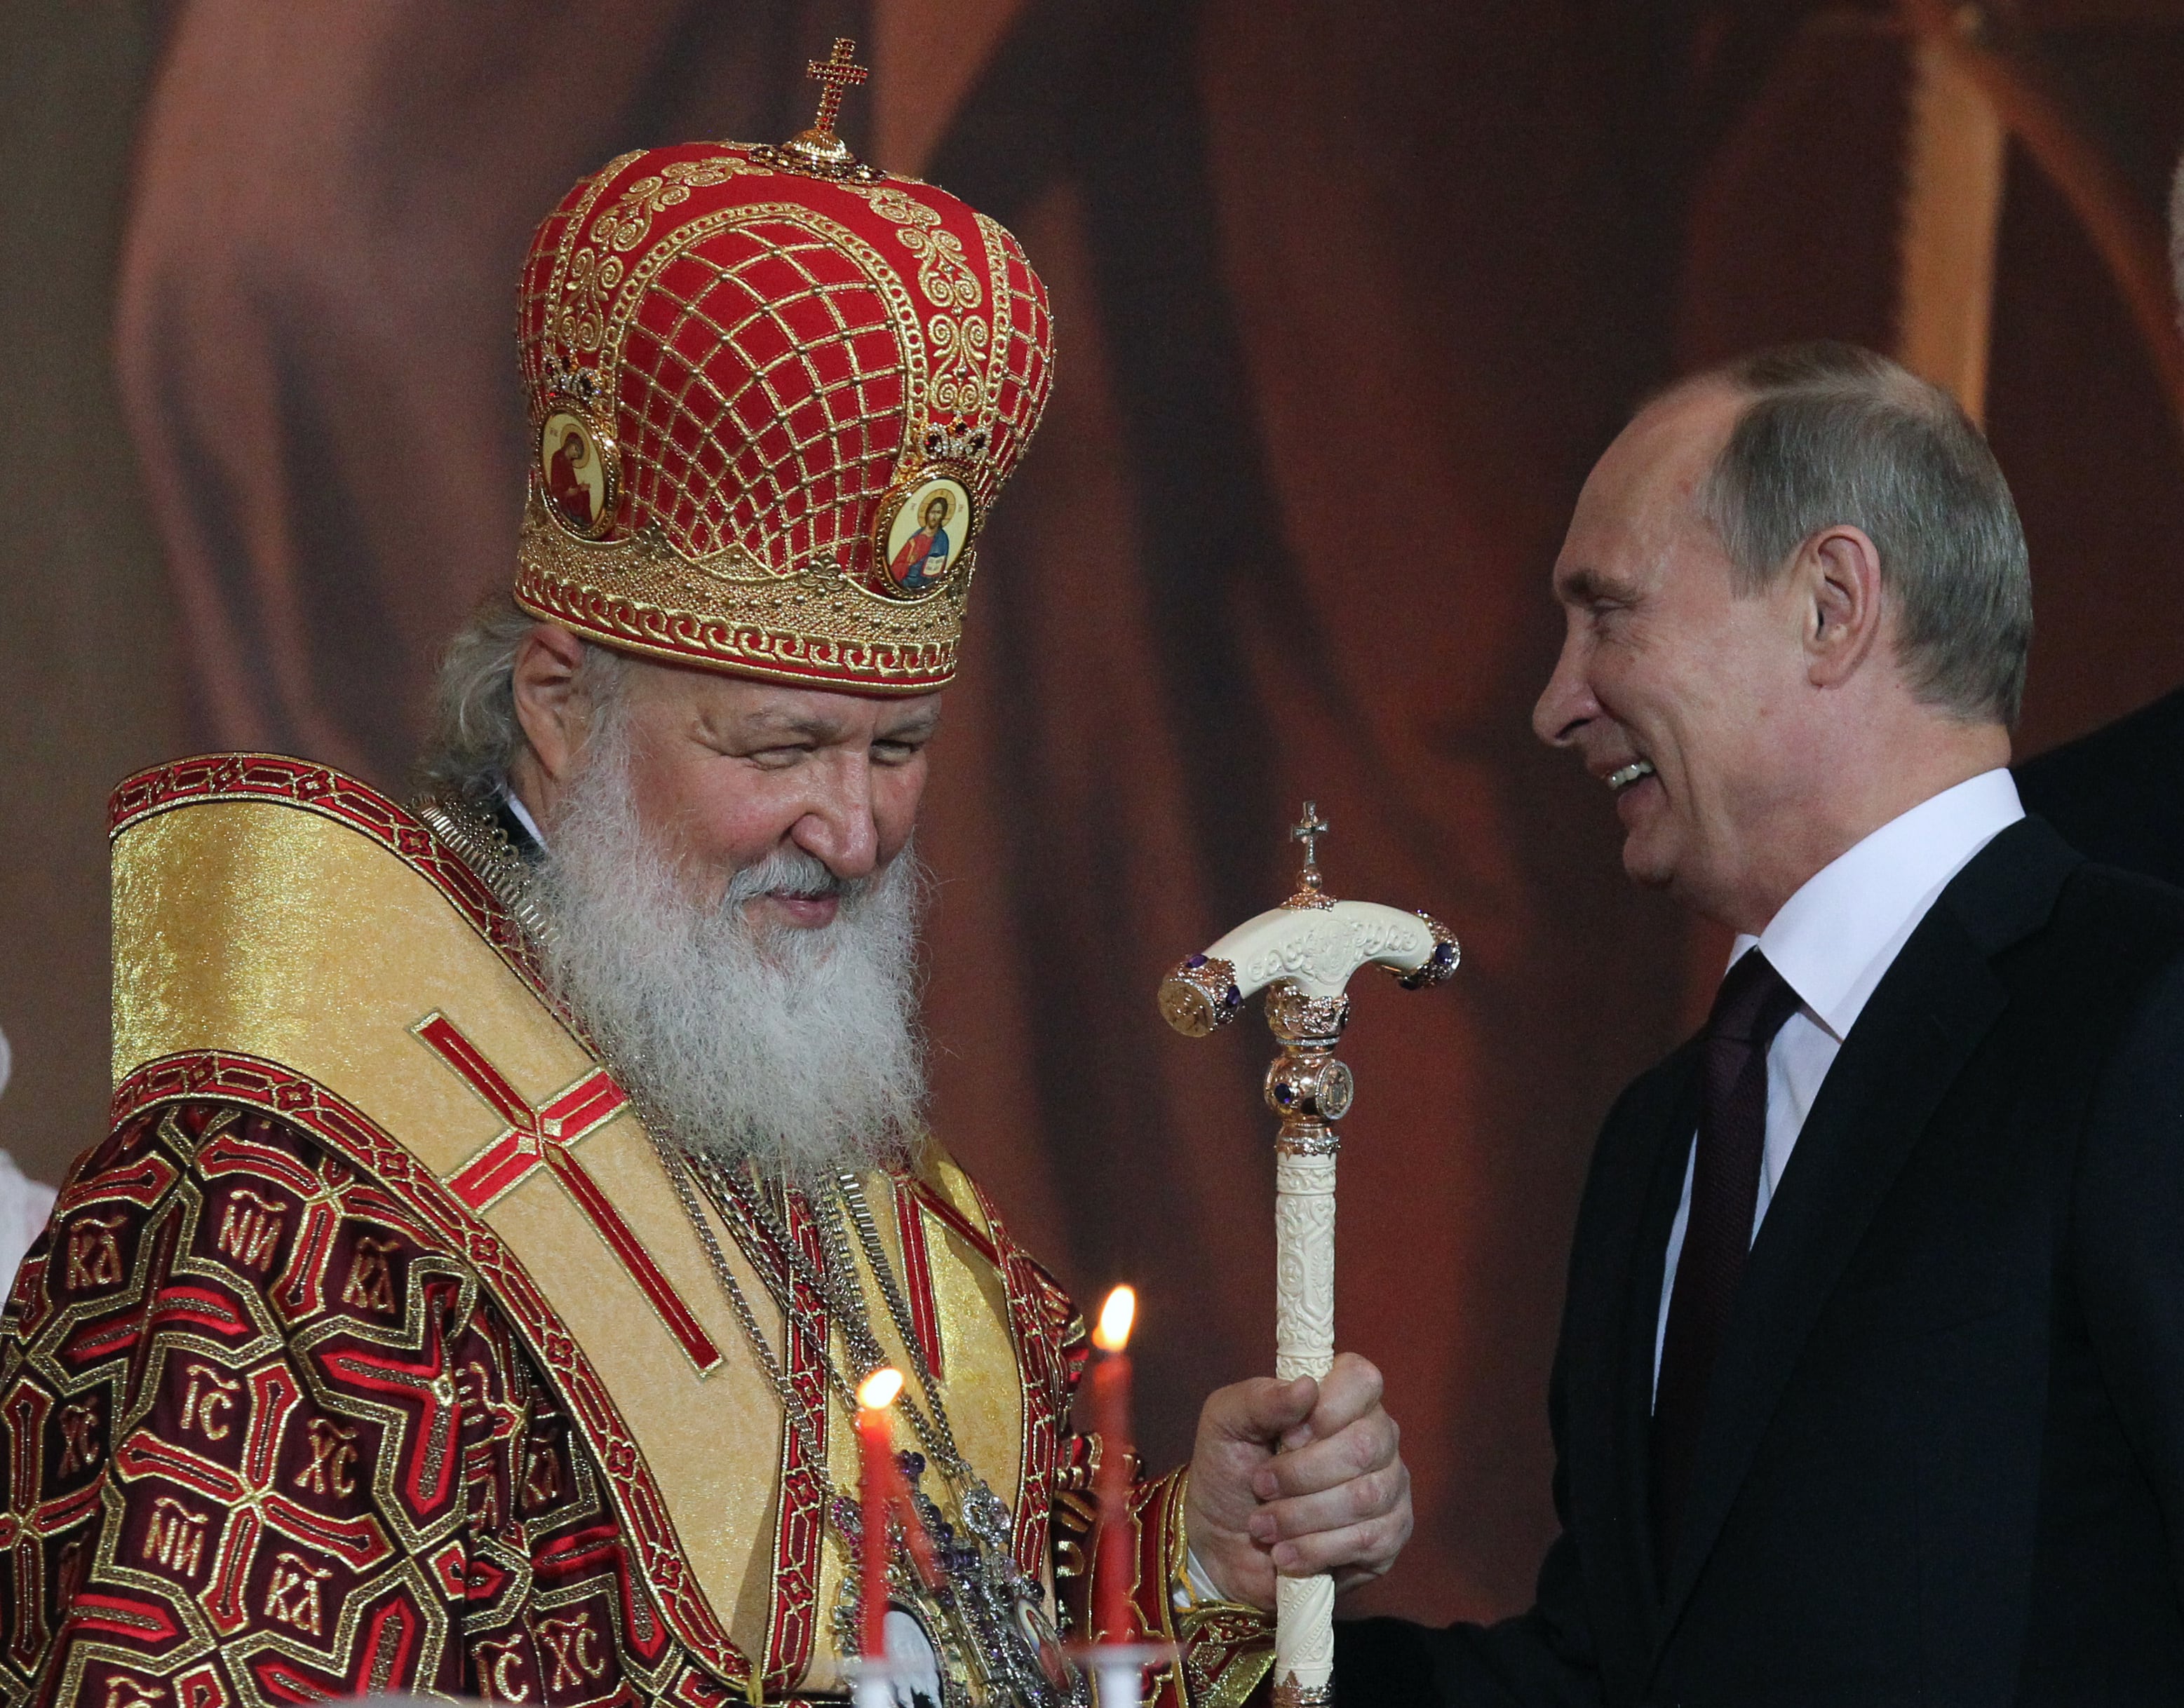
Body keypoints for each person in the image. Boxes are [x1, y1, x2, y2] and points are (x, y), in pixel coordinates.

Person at [3, 74, 1410, 1708]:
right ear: (556, 701)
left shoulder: (826, 1146)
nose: (855, 826)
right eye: (784, 742)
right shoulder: (291, 1183)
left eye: (899, 749)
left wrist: (1196, 1562)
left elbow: (972, 1619)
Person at [1333, 342, 2184, 1703]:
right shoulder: (1660, 1136)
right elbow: (1615, 1672)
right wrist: (1229, 1641)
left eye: (1607, 615)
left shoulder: (2141, 1016)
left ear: (1831, 606)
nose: (1556, 703)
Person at [889, 492, 955, 592]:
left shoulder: (943, 539)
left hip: (928, 583)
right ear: (927, 513)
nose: (934, 517)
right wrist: (909, 563)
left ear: (943, 515)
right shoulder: (915, 538)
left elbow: (942, 566)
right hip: (907, 582)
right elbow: (896, 566)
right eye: (932, 512)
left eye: (938, 512)